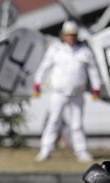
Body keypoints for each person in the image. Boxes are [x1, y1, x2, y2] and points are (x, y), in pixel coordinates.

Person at [33, 20, 102, 163]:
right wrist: (37, 83)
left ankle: (81, 151)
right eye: (68, 35)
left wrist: (96, 87)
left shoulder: (84, 50)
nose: (70, 37)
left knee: (77, 124)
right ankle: (45, 150)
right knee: (53, 121)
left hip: (77, 94)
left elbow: (93, 70)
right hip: (58, 93)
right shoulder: (55, 49)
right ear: (63, 36)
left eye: (73, 35)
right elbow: (44, 66)